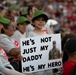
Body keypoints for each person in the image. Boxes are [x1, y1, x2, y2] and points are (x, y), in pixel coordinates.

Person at [27, 10, 53, 75]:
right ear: (33, 22)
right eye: (38, 20)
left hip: (47, 66)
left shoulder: (46, 35)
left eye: (43, 20)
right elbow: (27, 50)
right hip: (36, 67)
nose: (41, 22)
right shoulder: (30, 34)